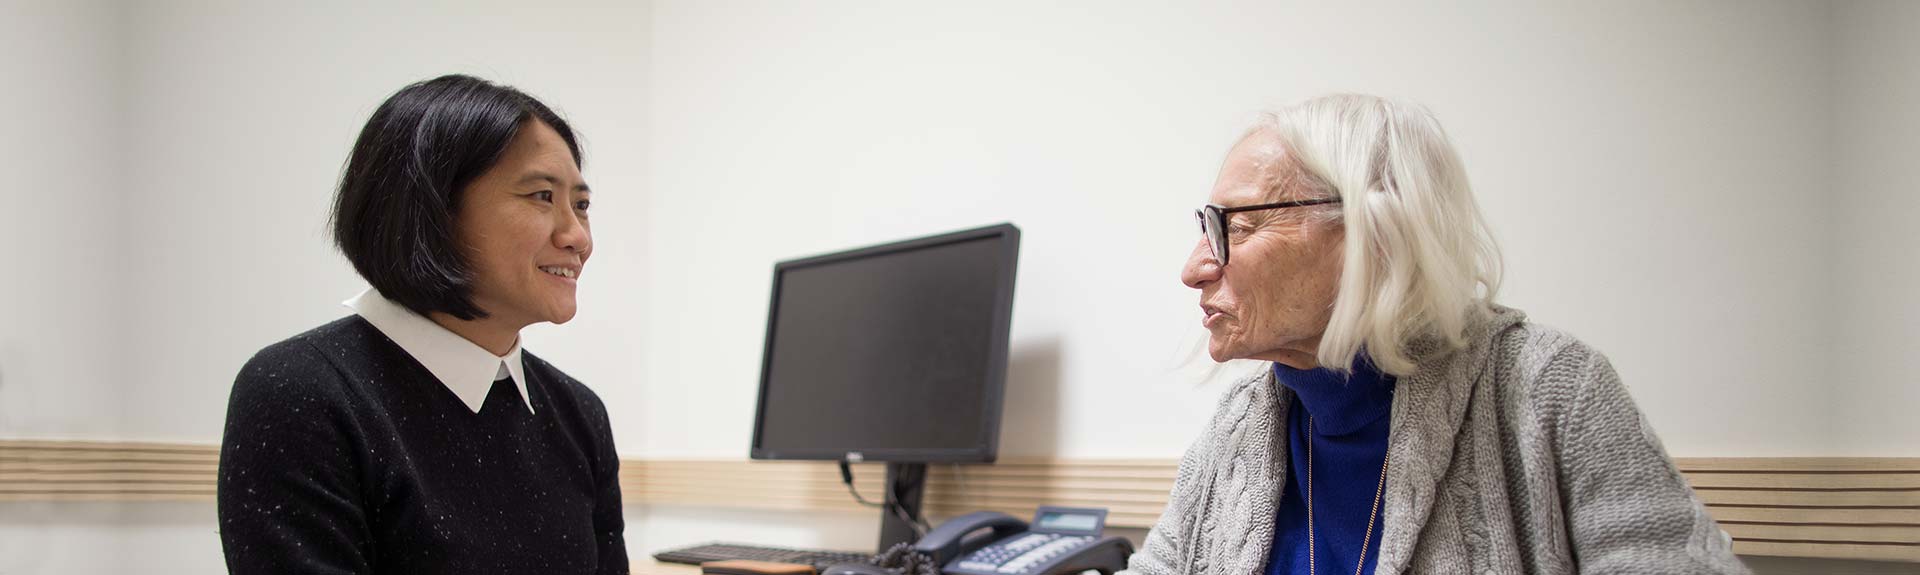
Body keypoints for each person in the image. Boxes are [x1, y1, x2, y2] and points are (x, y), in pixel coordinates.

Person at [1124, 95, 1748, 574]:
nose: (1195, 267)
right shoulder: (1242, 421)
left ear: (1373, 233)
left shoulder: (1549, 389)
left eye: (1233, 225)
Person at [217, 74, 626, 574]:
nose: (576, 236)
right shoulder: (301, 394)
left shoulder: (579, 413)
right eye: (542, 196)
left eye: (581, 206)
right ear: (429, 207)